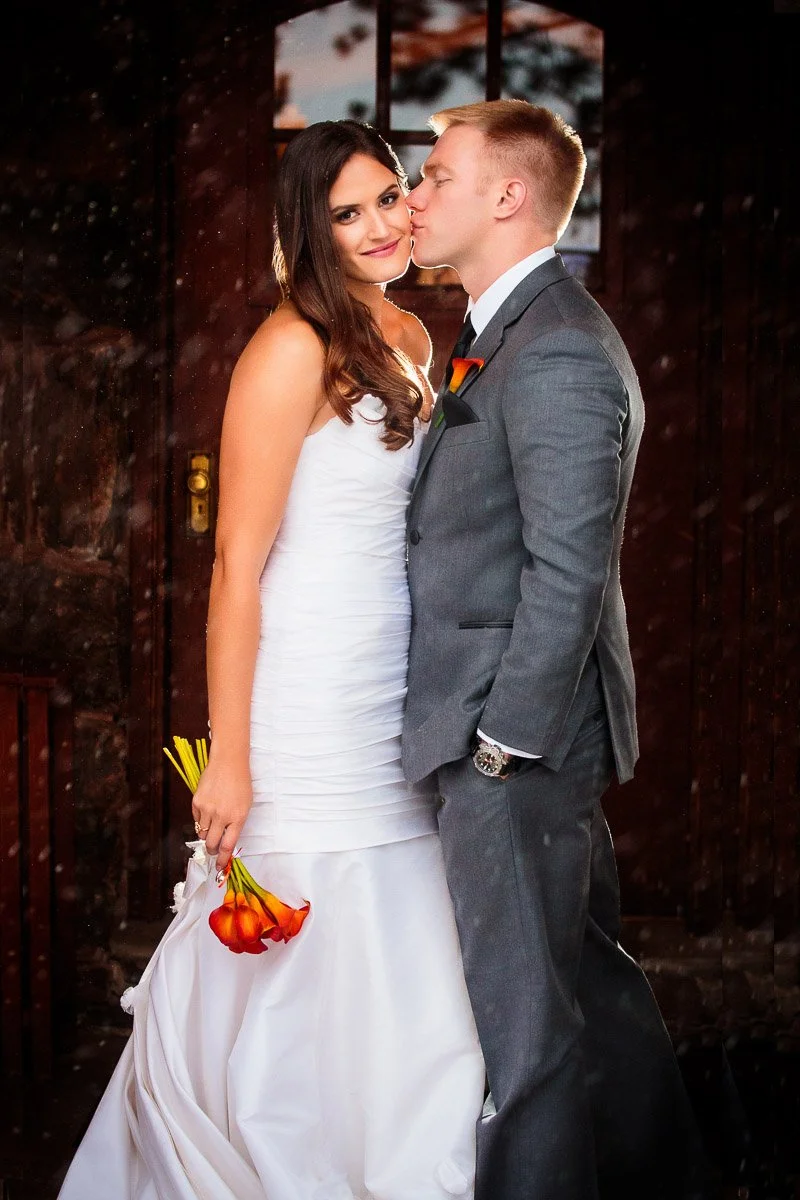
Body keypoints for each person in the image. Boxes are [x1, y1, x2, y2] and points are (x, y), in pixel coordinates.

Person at [58, 120, 485, 1200]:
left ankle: (382, 1154)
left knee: (399, 920)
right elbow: (235, 571)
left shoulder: (408, 334)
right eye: (347, 213)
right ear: (309, 226)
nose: (381, 225)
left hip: (390, 668)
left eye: (389, 197)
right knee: (302, 907)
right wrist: (231, 759)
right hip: (304, 674)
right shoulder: (288, 346)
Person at [402, 100, 706, 1200]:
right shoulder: (506, 333)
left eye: (436, 177)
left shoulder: (561, 348)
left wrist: (501, 745)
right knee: (588, 985)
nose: (414, 197)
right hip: (516, 734)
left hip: (514, 741)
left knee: (522, 1039)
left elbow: (567, 572)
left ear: (507, 195)